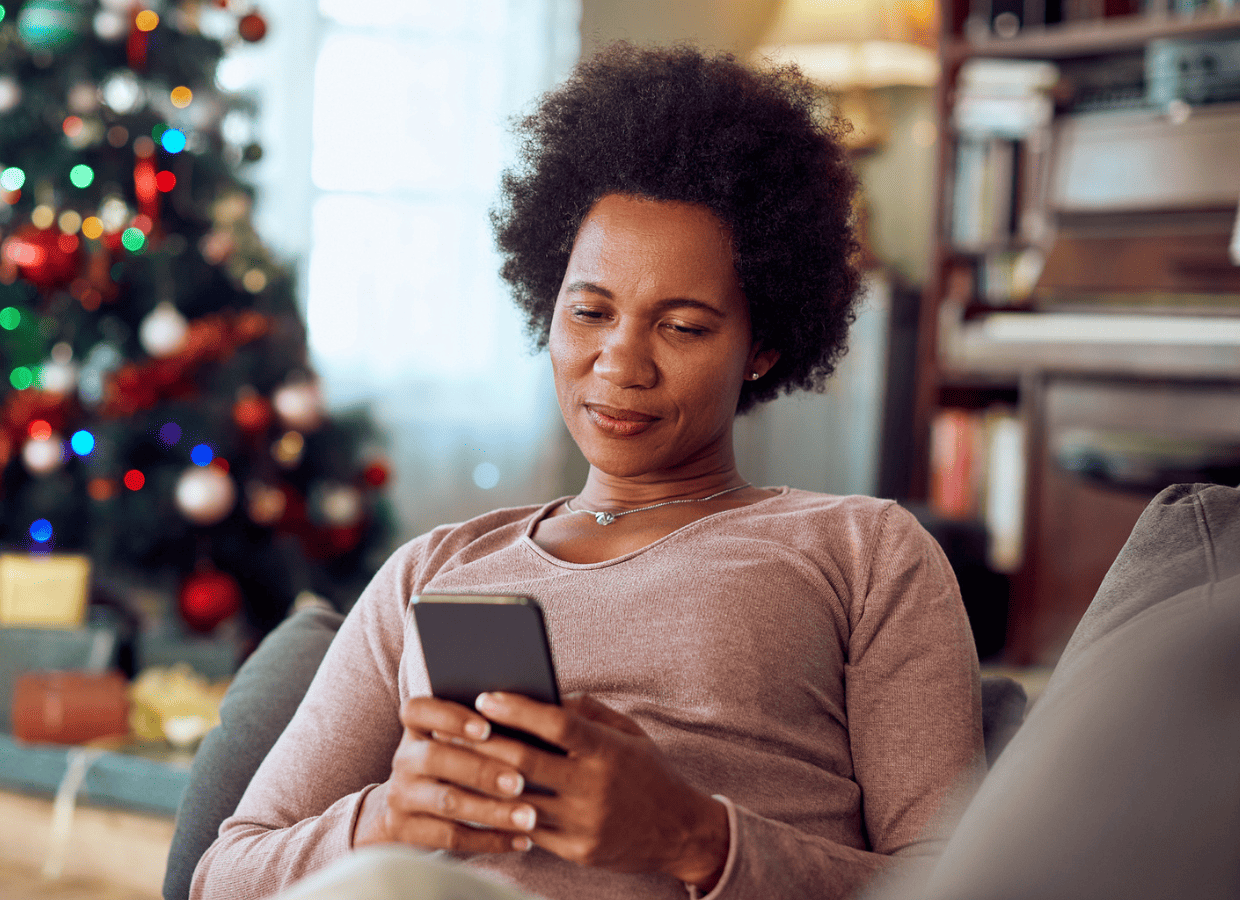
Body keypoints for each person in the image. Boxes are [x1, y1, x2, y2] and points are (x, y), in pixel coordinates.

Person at [189, 43, 983, 900]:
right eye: (590, 311)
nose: (619, 363)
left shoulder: (861, 552)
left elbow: (967, 885)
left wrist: (696, 839)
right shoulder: (431, 572)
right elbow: (224, 875)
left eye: (682, 327)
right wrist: (387, 818)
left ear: (763, 347)